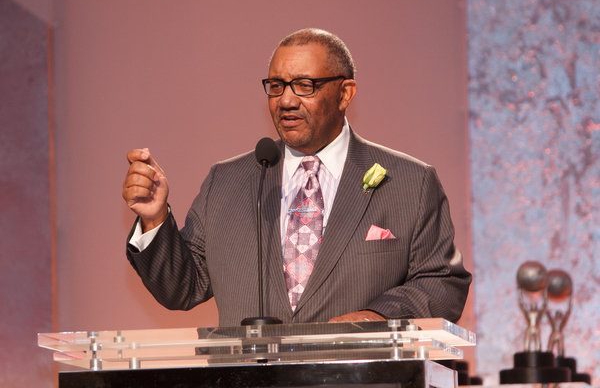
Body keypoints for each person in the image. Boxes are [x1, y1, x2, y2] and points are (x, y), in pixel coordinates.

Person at [122, 28, 472, 327]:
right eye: (276, 86)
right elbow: (182, 287)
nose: (286, 100)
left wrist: (375, 318)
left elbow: (442, 283)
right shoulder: (226, 182)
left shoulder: (410, 183)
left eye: (304, 85)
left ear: (345, 93)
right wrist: (154, 218)